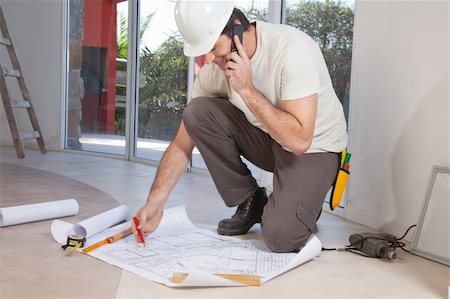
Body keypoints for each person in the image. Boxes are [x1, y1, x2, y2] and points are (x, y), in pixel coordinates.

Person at [133, 0, 347, 253]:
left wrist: (246, 88)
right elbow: (182, 144)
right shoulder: (217, 67)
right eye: (203, 51)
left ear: (236, 28)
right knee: (197, 112)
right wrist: (155, 203)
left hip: (314, 148)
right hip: (270, 141)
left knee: (280, 238)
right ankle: (251, 200)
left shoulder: (292, 49)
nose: (209, 59)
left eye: (213, 47)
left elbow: (299, 140)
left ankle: (306, 199)